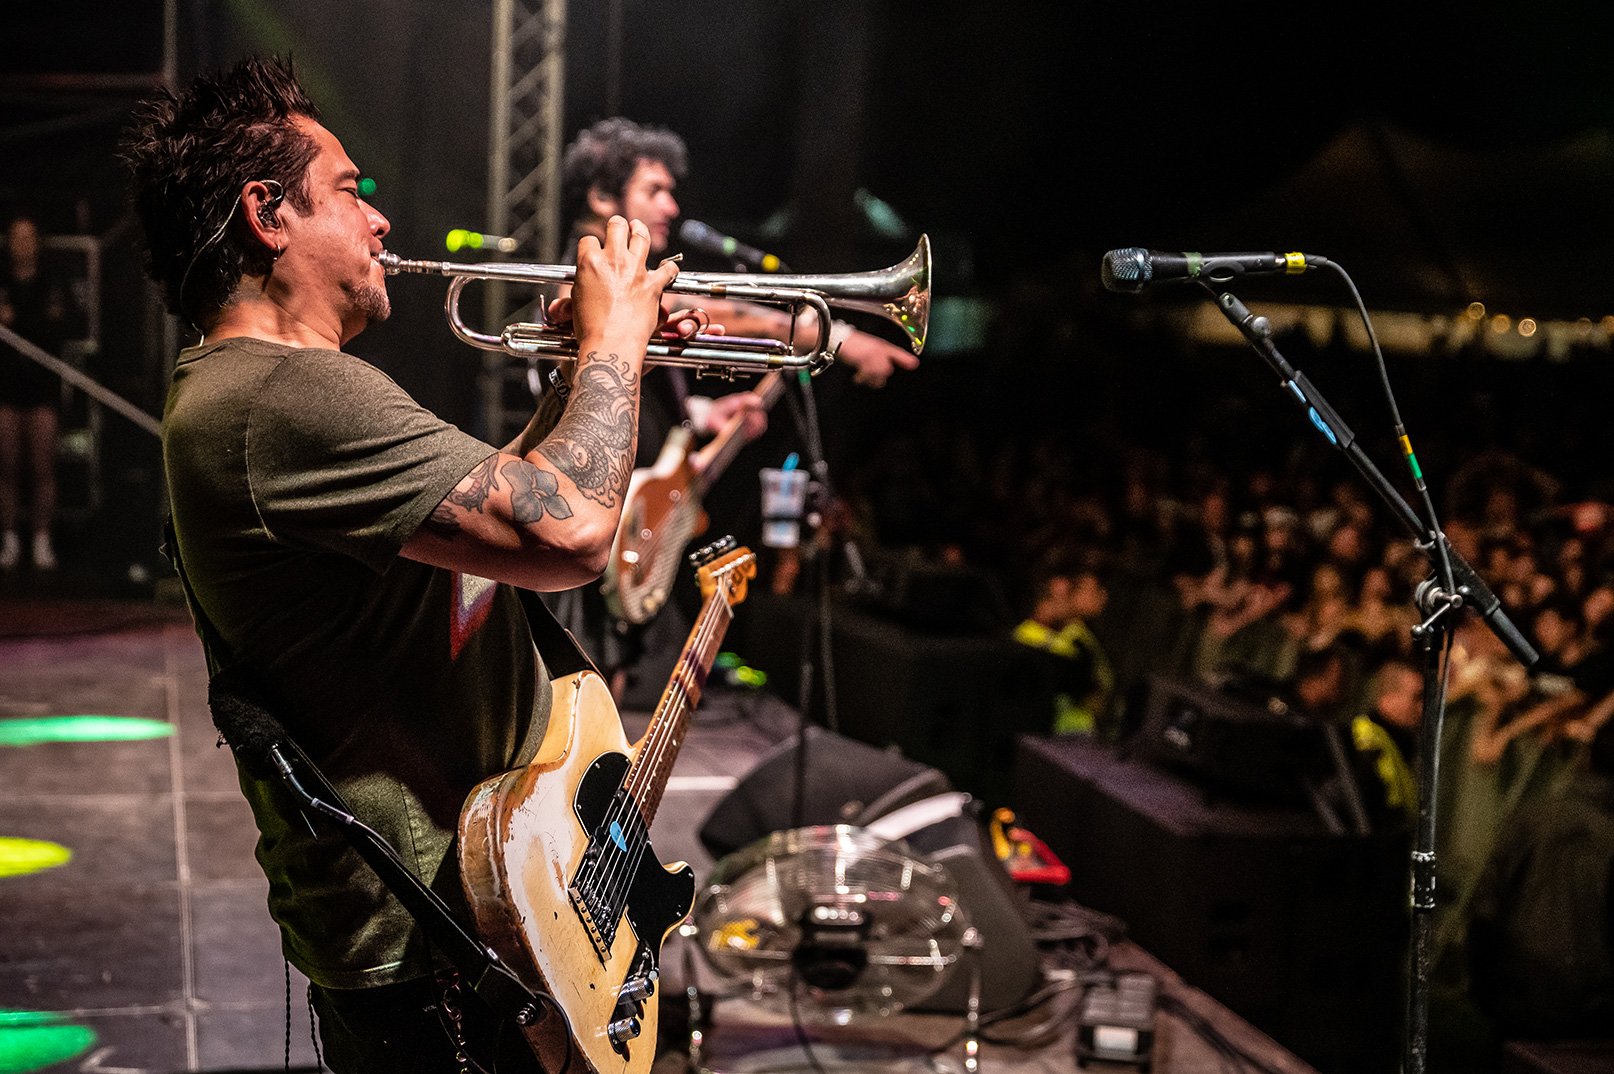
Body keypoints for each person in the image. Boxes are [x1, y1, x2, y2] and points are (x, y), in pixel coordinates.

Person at [119, 56, 703, 1073]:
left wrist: (588, 369)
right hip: (444, 951)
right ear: (268, 215)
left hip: (472, 919)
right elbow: (571, 536)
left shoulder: (264, 391)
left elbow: (486, 553)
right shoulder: (282, 395)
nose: (380, 220)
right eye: (350, 191)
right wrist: (615, 340)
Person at [543, 116, 921, 701]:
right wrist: (838, 336)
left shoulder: (633, 287)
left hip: (632, 518)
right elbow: (708, 312)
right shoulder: (578, 280)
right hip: (590, 523)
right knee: (587, 702)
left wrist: (701, 414)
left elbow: (629, 391)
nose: (671, 206)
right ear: (601, 198)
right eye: (654, 190)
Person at [1466, 717, 1614, 1042]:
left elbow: (1484, 907)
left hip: (1516, 994)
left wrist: (1484, 986)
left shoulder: (1533, 817)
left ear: (1587, 758)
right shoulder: (1598, 833)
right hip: (1589, 1013)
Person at [0, 211, 75, 572]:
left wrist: (20, 322)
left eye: (28, 237)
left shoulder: (52, 282)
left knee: (43, 464)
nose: (23, 244)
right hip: (6, 385)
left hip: (42, 386)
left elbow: (63, 325)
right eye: (17, 237)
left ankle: (42, 539)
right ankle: (10, 539)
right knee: (7, 464)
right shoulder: (2, 282)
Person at [1011, 552, 1114, 736]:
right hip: (1046, 740)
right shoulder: (1024, 639)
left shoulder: (1080, 635)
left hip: (1079, 739)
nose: (1102, 597)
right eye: (1093, 588)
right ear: (1060, 586)